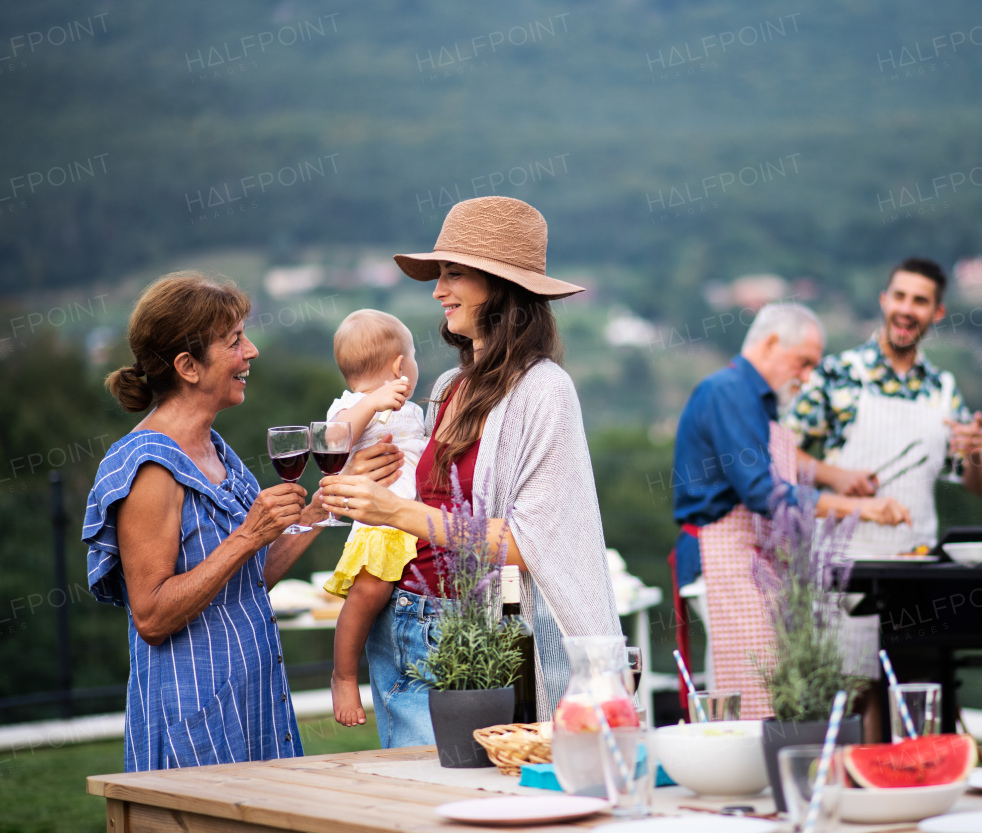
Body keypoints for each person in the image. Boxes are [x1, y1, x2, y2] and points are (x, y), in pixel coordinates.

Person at [318, 196, 621, 746]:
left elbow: (528, 546)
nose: (437, 290)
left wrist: (395, 512)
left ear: (500, 287)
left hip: (480, 639)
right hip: (409, 627)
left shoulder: (544, 390)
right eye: (438, 275)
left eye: (453, 274)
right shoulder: (446, 388)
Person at [84, 272, 328, 771]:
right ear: (188, 366)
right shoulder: (150, 467)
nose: (252, 351)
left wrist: (323, 509)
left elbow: (247, 579)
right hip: (195, 724)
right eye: (235, 340)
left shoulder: (215, 448)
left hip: (255, 705)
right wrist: (247, 536)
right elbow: (150, 616)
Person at [670, 301, 911, 720]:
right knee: (754, 686)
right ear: (771, 343)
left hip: (752, 559)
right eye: (803, 363)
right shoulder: (727, 392)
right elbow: (764, 493)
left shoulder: (754, 399)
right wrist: (860, 509)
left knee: (745, 684)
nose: (806, 376)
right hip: (722, 555)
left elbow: (774, 463)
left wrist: (834, 475)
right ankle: (750, 778)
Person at [786, 257, 982, 555]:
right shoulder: (837, 373)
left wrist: (975, 454)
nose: (907, 310)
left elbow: (979, 485)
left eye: (920, 301)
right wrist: (835, 476)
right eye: (900, 297)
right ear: (884, 301)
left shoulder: (942, 389)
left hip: (917, 562)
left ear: (938, 312)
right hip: (841, 566)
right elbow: (779, 451)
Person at [321, 310, 428, 728]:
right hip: (380, 527)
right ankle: (344, 675)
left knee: (385, 595)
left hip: (412, 523)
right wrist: (370, 402)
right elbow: (331, 440)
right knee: (367, 595)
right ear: (400, 365)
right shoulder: (349, 406)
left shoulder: (414, 411)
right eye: (414, 357)